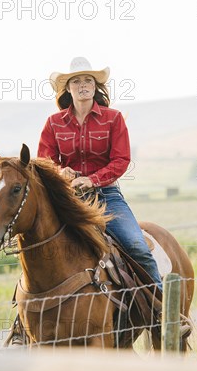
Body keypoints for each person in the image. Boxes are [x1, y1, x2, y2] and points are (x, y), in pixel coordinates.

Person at [38, 57, 162, 291]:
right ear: (68, 88)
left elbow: (121, 160)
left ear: (96, 87)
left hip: (106, 196)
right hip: (67, 198)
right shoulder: (53, 123)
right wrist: (60, 171)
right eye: (76, 81)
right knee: (40, 245)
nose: (83, 85)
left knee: (138, 248)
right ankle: (26, 317)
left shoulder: (113, 119)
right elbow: (45, 161)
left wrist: (92, 179)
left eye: (88, 80)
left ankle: (162, 310)